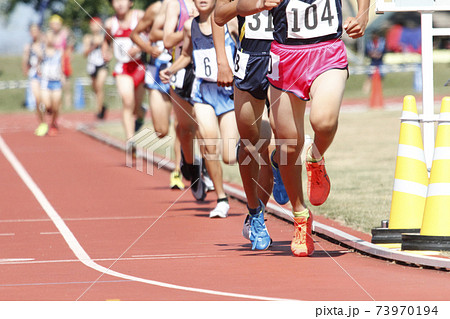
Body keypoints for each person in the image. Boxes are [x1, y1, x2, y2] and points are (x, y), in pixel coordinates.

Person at [236, 0, 370, 256]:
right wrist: (259, 4)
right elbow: (239, 6)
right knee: (287, 141)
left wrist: (363, 16)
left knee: (323, 121)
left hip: (327, 50)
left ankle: (316, 157)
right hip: (286, 57)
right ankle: (300, 215)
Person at [214, 1, 287, 249]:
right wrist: (222, 61)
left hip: (286, 54)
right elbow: (219, 14)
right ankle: (255, 213)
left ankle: (279, 162)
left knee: (284, 129)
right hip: (250, 59)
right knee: (249, 143)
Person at [160, 0, 240, 218]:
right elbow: (186, 55)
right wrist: (171, 69)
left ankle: (242, 145)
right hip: (203, 93)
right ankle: (221, 199)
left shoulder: (230, 21)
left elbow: (244, 45)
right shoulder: (189, 26)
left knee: (230, 157)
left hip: (228, 93)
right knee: (208, 142)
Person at [130, 0, 185, 190]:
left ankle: (178, 170)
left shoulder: (194, 5)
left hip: (182, 69)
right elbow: (137, 34)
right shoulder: (156, 8)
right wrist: (148, 49)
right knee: (161, 131)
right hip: (157, 70)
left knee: (181, 124)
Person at [161, 0, 210, 201]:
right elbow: (167, 40)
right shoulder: (176, 4)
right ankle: (190, 167)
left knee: (205, 124)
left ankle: (207, 169)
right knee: (186, 127)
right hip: (183, 68)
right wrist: (191, 28)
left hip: (208, 67)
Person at [103, 0, 146, 140]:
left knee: (136, 106)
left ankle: (140, 114)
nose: (119, 4)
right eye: (115, 1)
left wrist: (139, 48)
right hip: (122, 67)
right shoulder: (110, 23)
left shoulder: (139, 16)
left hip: (139, 66)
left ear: (131, 3)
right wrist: (105, 52)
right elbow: (106, 41)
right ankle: (130, 140)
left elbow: (153, 35)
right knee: (128, 101)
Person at [22, 23, 46, 136]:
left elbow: (47, 56)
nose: (34, 33)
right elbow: (26, 61)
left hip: (46, 75)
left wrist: (39, 52)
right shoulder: (29, 46)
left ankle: (51, 120)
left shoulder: (44, 44)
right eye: (32, 31)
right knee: (37, 100)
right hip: (34, 75)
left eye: (36, 30)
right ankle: (42, 123)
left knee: (47, 101)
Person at [39, 30, 64, 136]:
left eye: (51, 37)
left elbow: (62, 66)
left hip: (56, 82)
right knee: (47, 105)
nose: (50, 39)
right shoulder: (42, 52)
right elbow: (37, 64)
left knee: (56, 106)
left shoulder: (59, 52)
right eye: (48, 37)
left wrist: (63, 76)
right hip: (45, 81)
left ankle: (53, 124)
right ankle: (46, 118)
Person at [83, 17, 109, 119]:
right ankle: (102, 106)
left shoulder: (104, 37)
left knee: (99, 86)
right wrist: (94, 45)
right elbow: (84, 53)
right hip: (92, 65)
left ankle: (99, 111)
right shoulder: (87, 38)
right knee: (95, 88)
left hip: (102, 65)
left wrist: (108, 55)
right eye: (94, 25)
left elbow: (109, 51)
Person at [48, 14, 75, 110]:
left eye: (57, 24)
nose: (55, 26)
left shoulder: (65, 33)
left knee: (66, 84)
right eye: (53, 24)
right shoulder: (49, 35)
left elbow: (71, 45)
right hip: (52, 62)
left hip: (64, 60)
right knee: (55, 85)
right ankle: (57, 105)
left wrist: (69, 55)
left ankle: (68, 105)